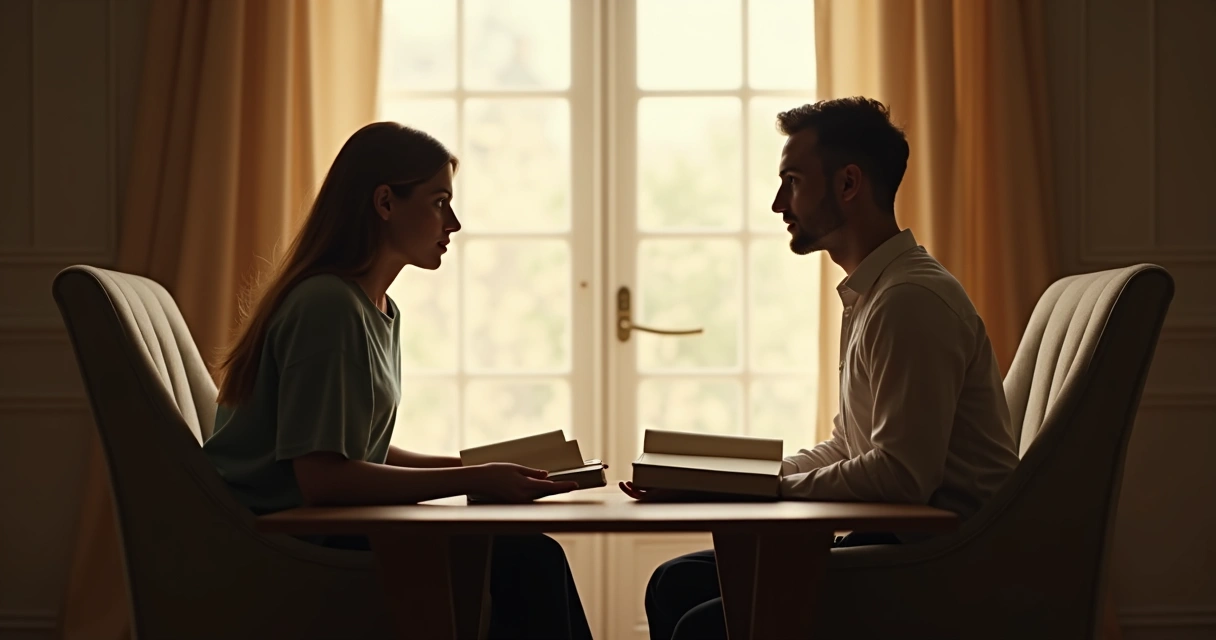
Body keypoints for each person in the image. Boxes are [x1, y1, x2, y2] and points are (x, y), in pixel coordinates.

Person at [622, 97, 1021, 640]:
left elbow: (901, 477)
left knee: (701, 623)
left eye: (792, 181)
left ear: (848, 184)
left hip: (939, 565)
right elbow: (850, 447)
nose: (777, 203)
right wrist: (728, 481)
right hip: (902, 544)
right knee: (673, 584)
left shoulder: (909, 301)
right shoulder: (875, 294)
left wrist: (765, 491)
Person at [203, 122, 593, 640]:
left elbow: (360, 452)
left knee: (527, 554)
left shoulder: (373, 307)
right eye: (438, 202)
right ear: (385, 202)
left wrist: (478, 466)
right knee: (529, 560)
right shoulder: (328, 307)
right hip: (291, 542)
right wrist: (475, 478)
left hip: (319, 525)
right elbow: (324, 479)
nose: (452, 222)